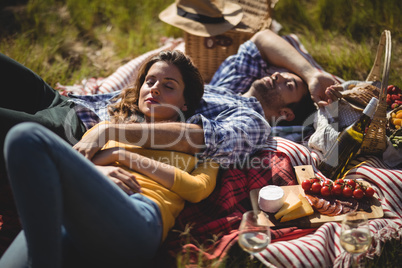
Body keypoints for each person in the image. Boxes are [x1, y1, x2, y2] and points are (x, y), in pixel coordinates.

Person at [0, 50, 220, 268]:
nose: (154, 88)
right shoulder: (106, 128)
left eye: (168, 86)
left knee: (25, 137)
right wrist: (98, 172)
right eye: (150, 81)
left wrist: (121, 156)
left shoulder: (200, 146)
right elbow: (76, 164)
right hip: (78, 210)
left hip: (138, 218)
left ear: (185, 103)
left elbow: (197, 189)